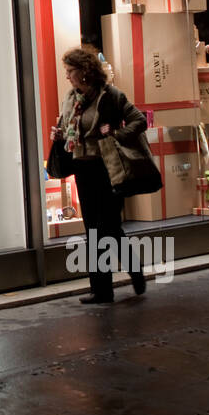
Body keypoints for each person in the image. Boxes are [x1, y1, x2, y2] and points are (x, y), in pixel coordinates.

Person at [51, 46, 148, 304]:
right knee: (95, 229)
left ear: (85, 71)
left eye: (70, 71)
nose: (67, 76)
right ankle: (103, 288)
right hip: (83, 168)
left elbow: (139, 120)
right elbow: (67, 126)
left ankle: (126, 276)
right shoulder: (71, 98)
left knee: (107, 227)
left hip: (108, 167)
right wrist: (60, 135)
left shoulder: (110, 96)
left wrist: (115, 136)